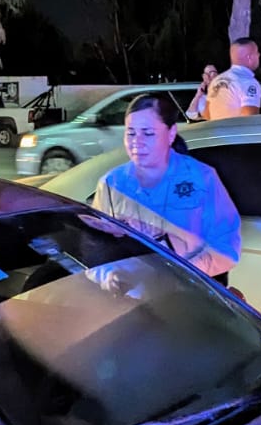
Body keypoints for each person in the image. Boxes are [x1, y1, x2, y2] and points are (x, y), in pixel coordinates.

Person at [93, 94, 242, 284]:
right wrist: (107, 276)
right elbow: (95, 247)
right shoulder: (112, 184)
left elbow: (226, 246)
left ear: (171, 134)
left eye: (148, 133)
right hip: (134, 295)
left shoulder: (201, 178)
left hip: (190, 292)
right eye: (130, 133)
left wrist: (183, 274)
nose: (137, 141)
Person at [204, 38, 261, 120]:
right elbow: (250, 117)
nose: (259, 55)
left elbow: (207, 114)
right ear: (249, 57)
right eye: (256, 52)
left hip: (215, 127)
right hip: (237, 128)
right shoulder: (248, 82)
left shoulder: (216, 81)